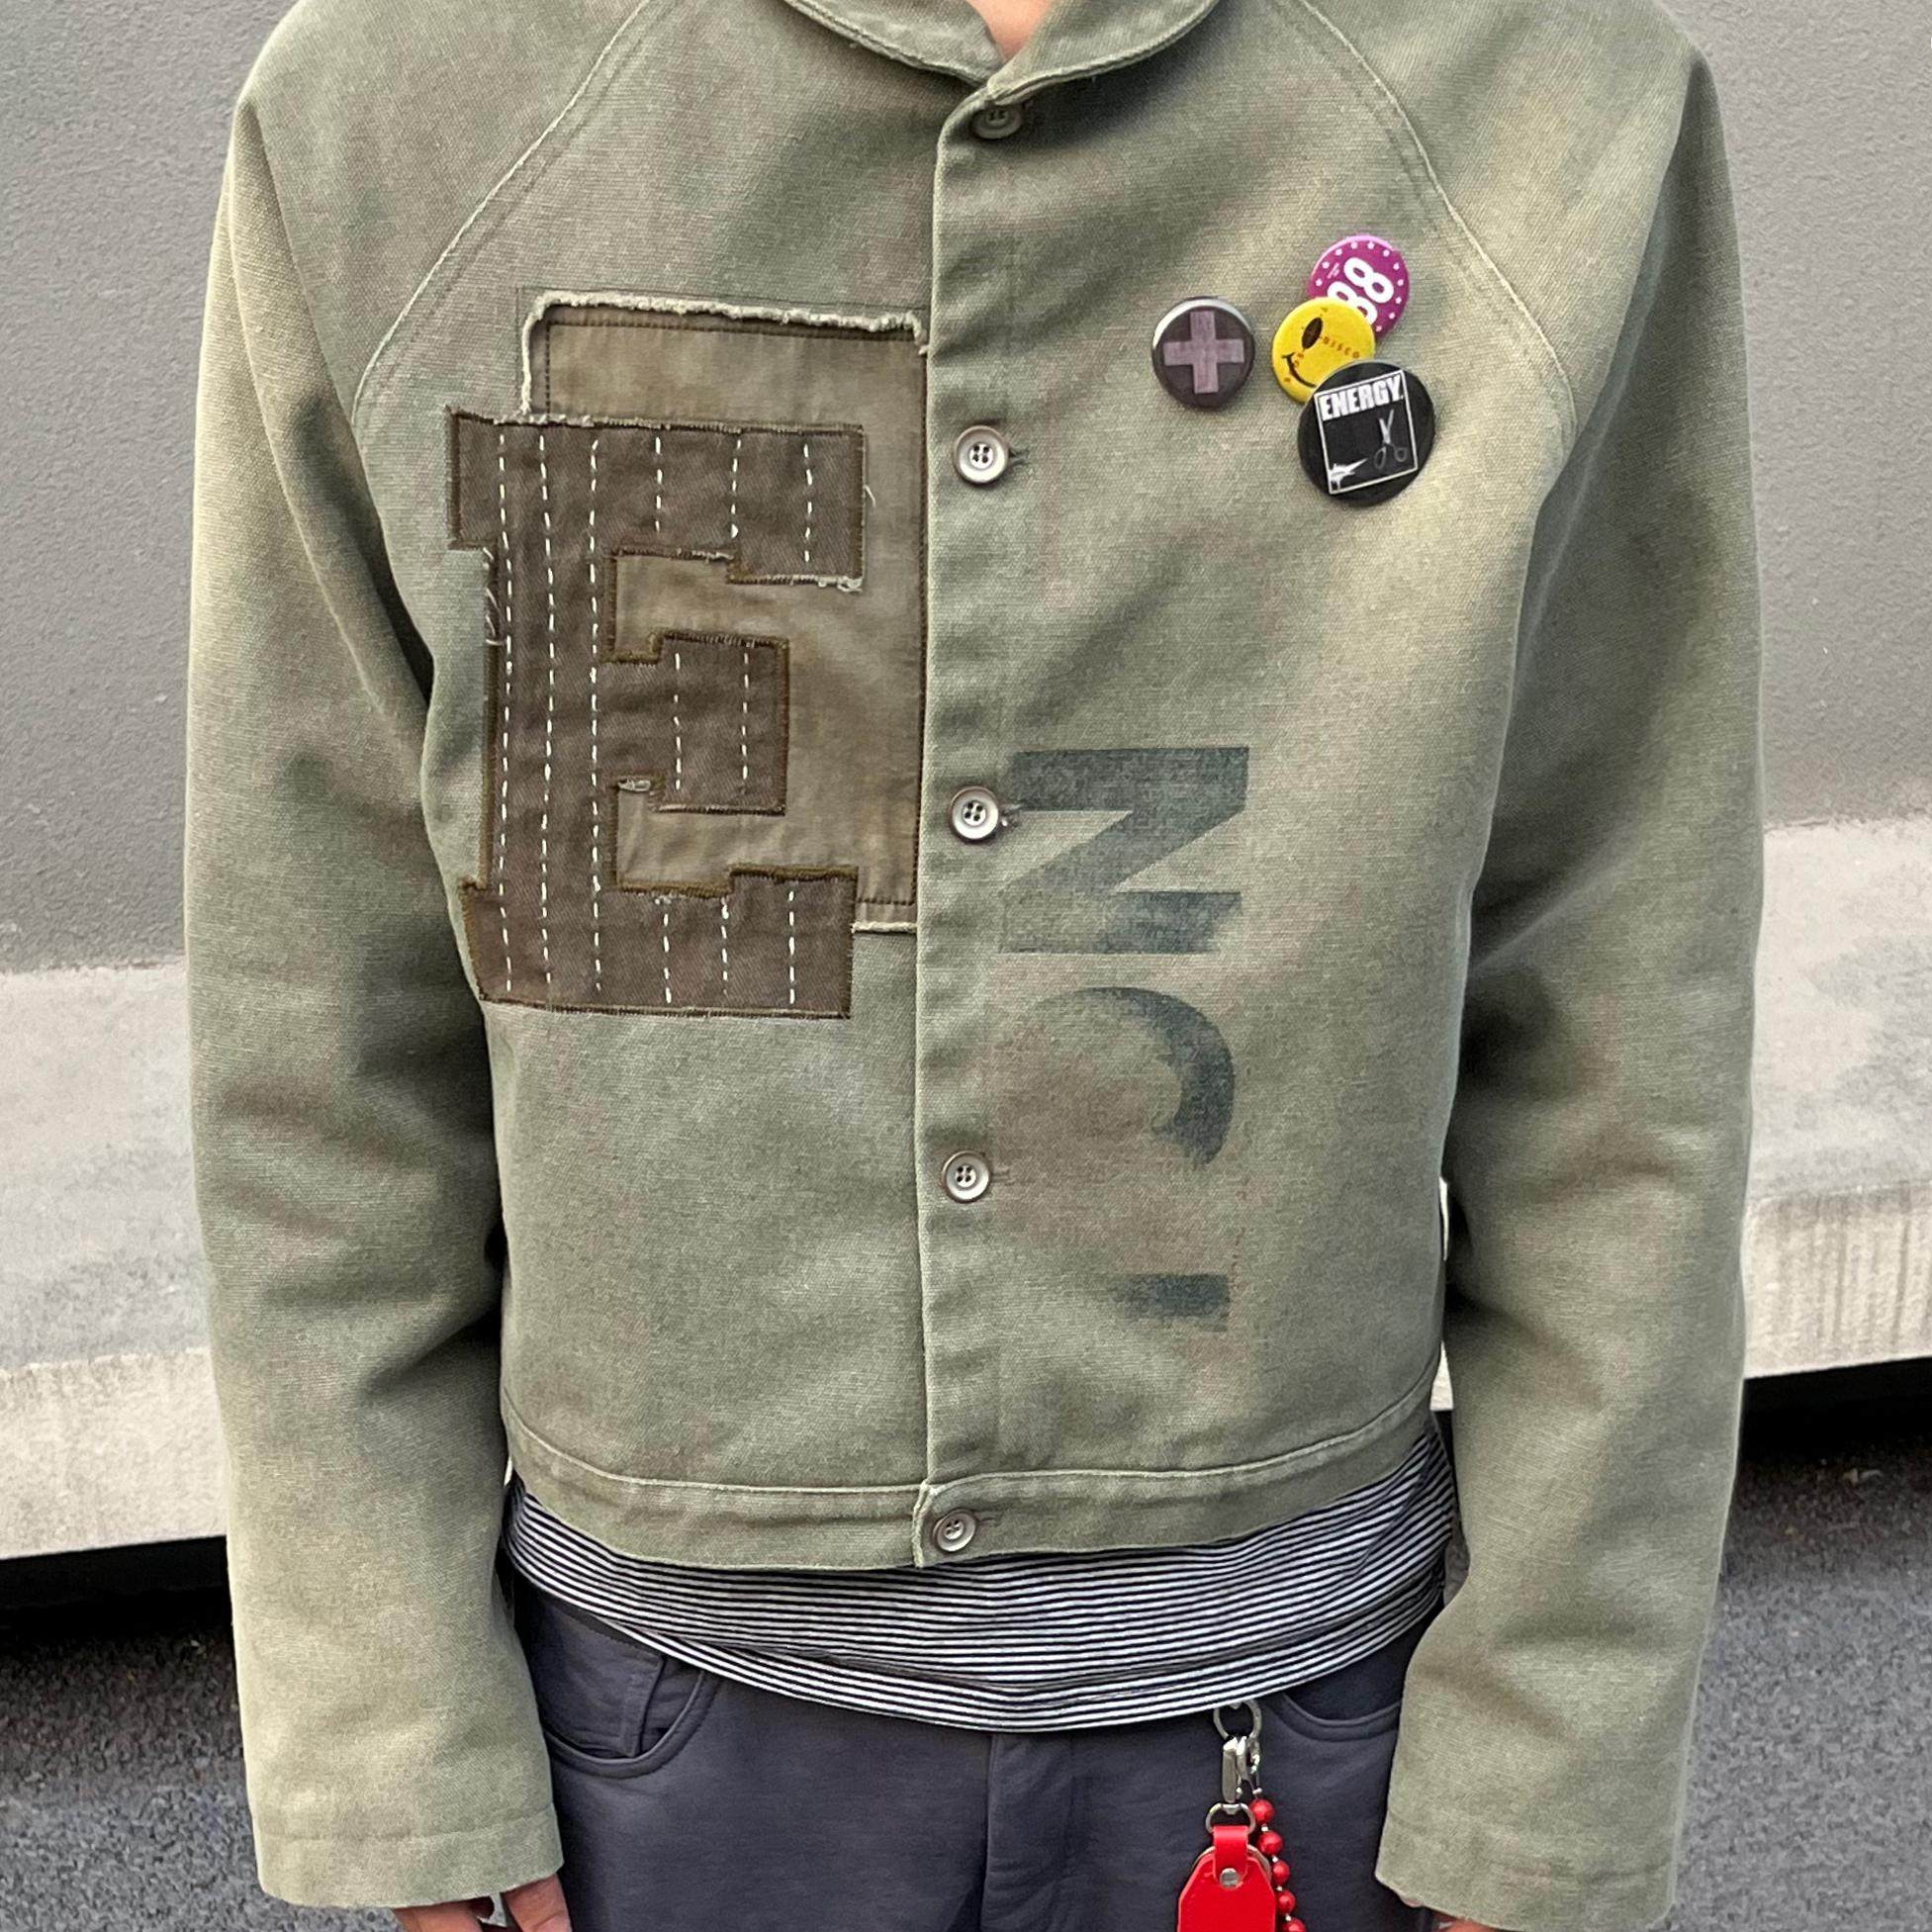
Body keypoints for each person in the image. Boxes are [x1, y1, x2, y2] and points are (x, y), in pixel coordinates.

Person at [181, 0, 1765, 1927]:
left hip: (1306, 1735)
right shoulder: (395, 103)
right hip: (653, 1765)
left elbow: (1618, 1014)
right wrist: (396, 1742)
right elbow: (320, 1027)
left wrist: (1548, 1768)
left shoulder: (1550, 97)